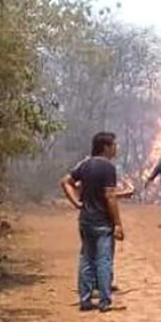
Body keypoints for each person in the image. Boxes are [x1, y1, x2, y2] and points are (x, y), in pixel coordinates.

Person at [59, 132, 127, 312]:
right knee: (104, 260)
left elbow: (66, 182)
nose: (115, 148)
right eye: (114, 145)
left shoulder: (85, 164)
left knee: (87, 259)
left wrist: (76, 203)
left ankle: (85, 300)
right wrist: (118, 223)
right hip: (103, 221)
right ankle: (104, 301)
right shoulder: (108, 167)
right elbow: (110, 197)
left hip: (86, 220)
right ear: (105, 147)